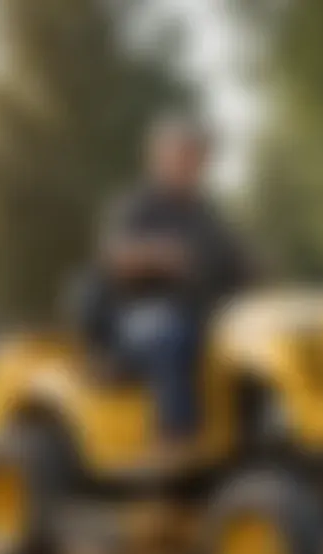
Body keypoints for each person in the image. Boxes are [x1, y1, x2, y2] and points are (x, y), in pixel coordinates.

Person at [95, 115, 248, 469]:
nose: (193, 164)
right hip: (135, 318)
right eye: (185, 155)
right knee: (169, 331)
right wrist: (156, 254)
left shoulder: (206, 214)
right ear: (159, 157)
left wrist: (255, 267)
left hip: (202, 312)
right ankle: (172, 438)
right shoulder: (137, 206)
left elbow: (233, 258)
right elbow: (115, 257)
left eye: (198, 157)